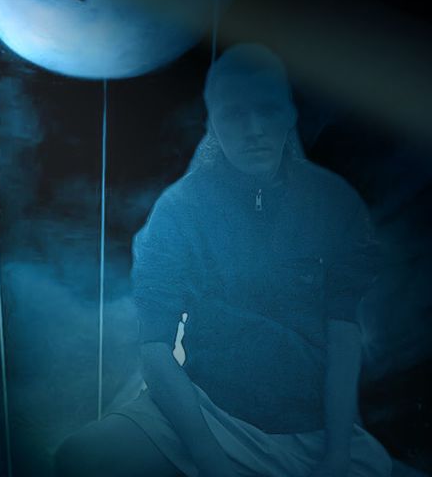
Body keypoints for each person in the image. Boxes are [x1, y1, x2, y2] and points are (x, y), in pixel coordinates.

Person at [54, 44, 392, 477]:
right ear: (212, 120)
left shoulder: (333, 201)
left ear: (289, 113)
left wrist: (337, 452)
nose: (254, 129)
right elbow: (155, 349)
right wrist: (210, 460)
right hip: (210, 413)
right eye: (234, 114)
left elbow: (343, 332)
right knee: (81, 457)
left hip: (314, 428)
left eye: (267, 110)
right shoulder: (179, 209)